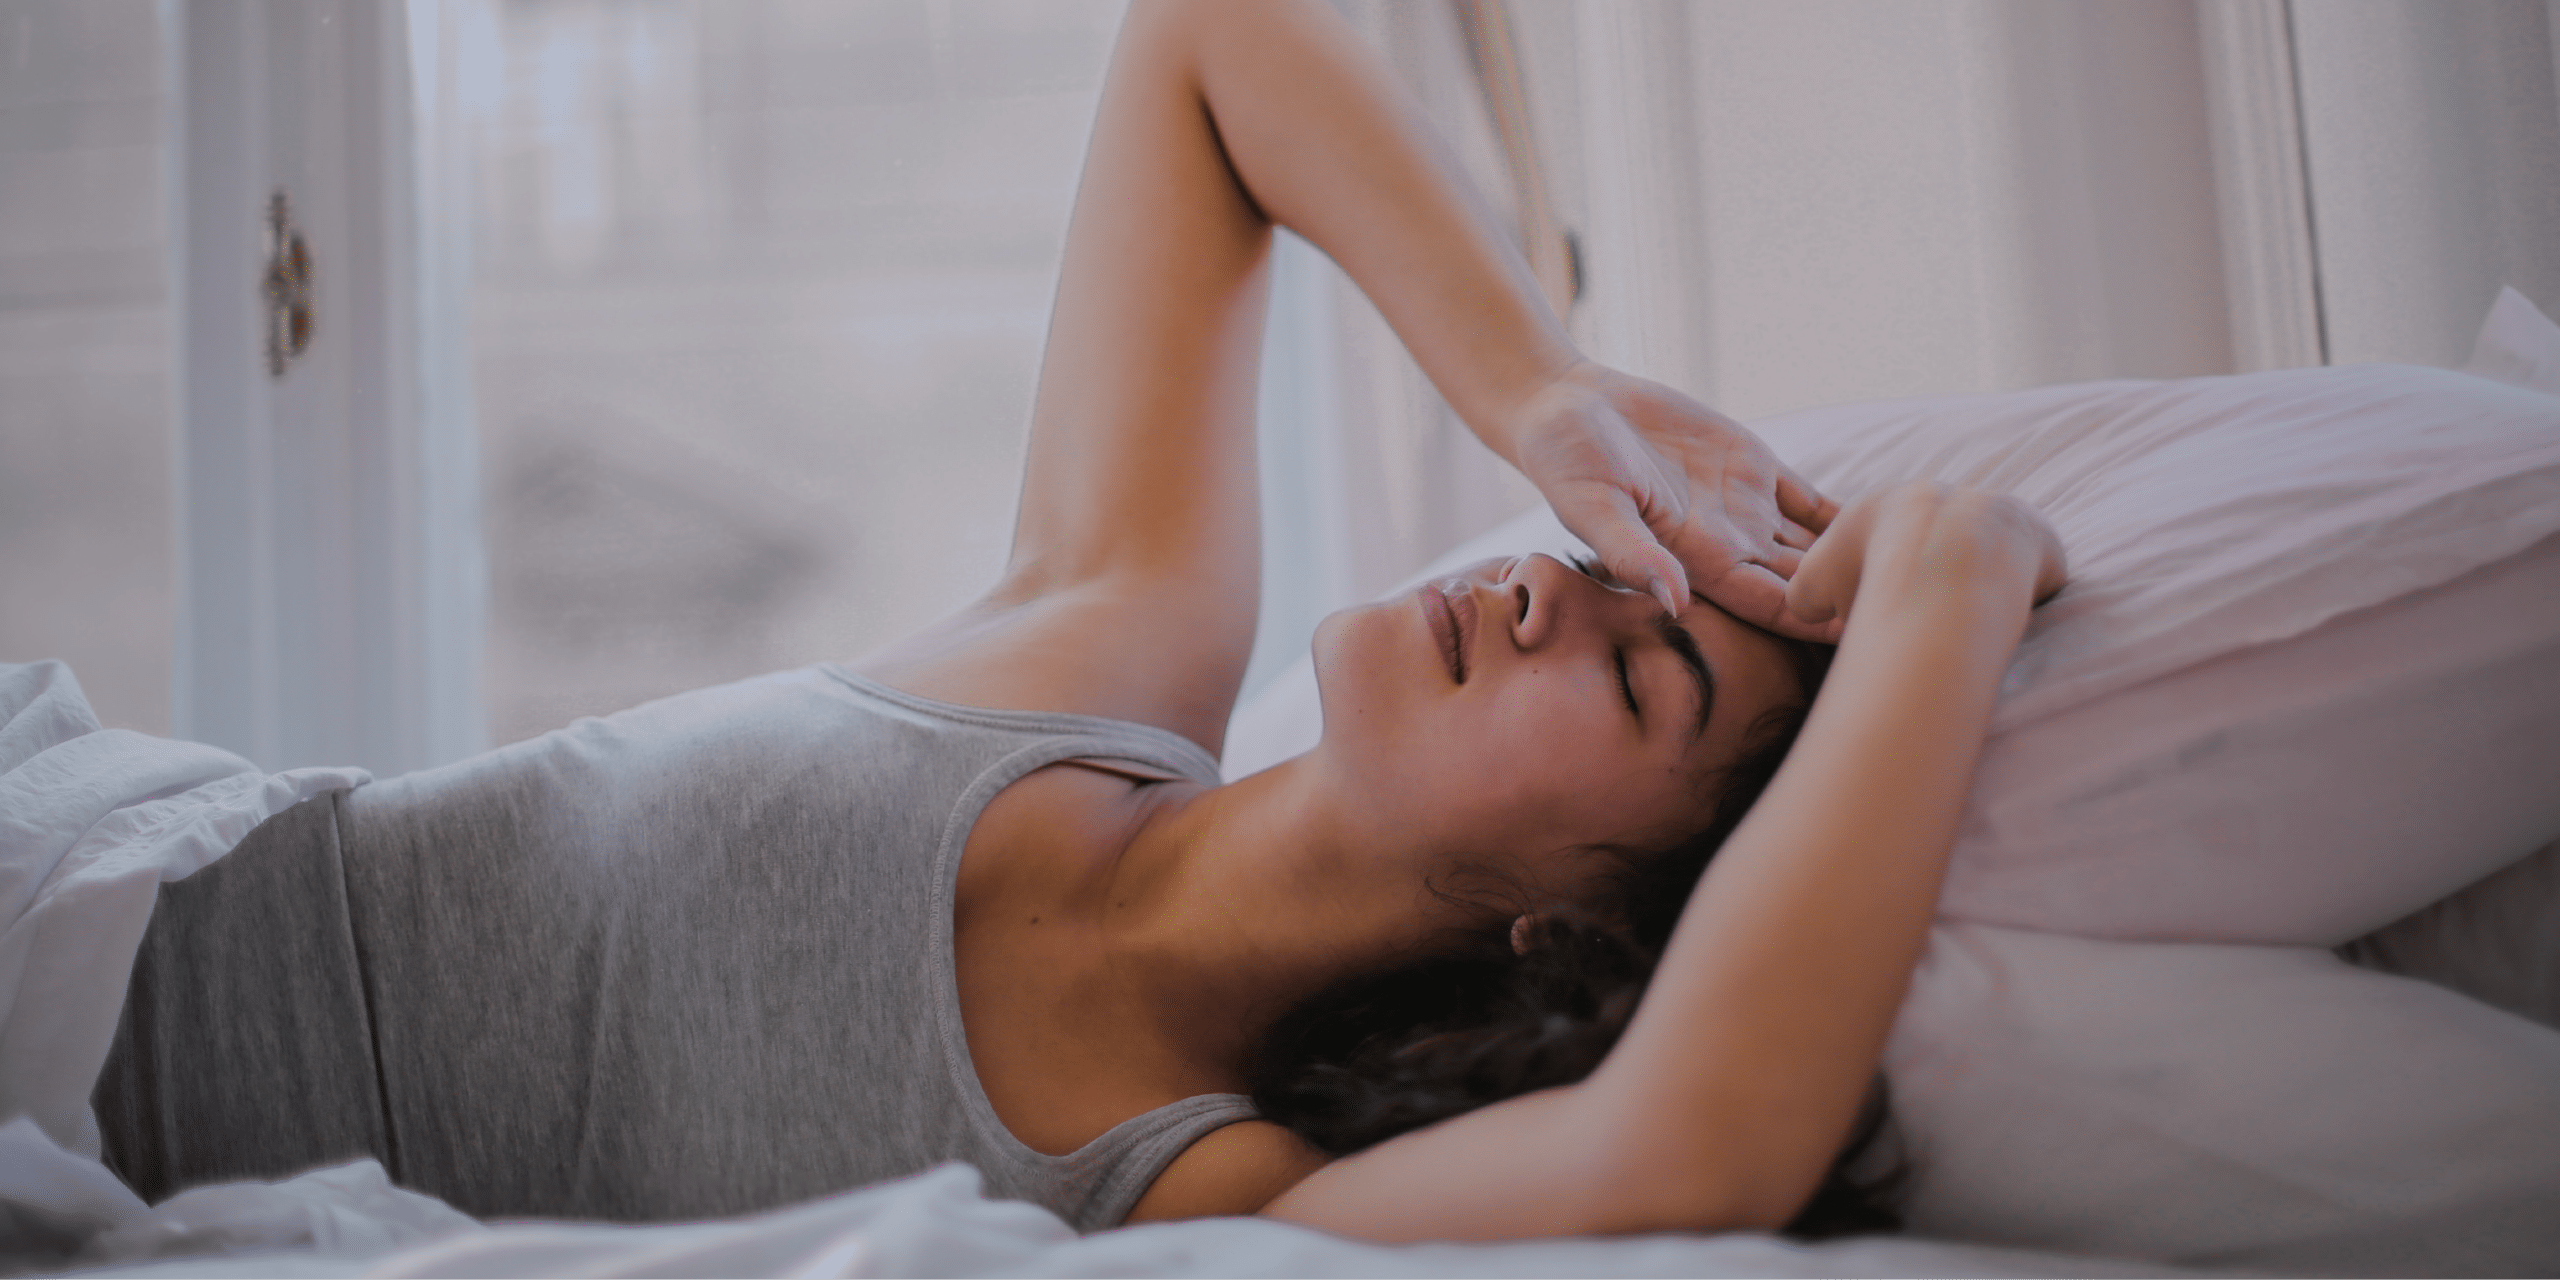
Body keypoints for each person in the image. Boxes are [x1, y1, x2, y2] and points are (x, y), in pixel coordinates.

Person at [92, 0, 2063, 1242]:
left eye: (1634, 667)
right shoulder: (1097, 654)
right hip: (79, 873)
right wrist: (1539, 388)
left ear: (1567, 920)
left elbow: (1694, 1143)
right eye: (1610, 567)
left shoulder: (1200, 1183)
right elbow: (1210, 36)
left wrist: (1943, 595)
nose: (1557, 576)